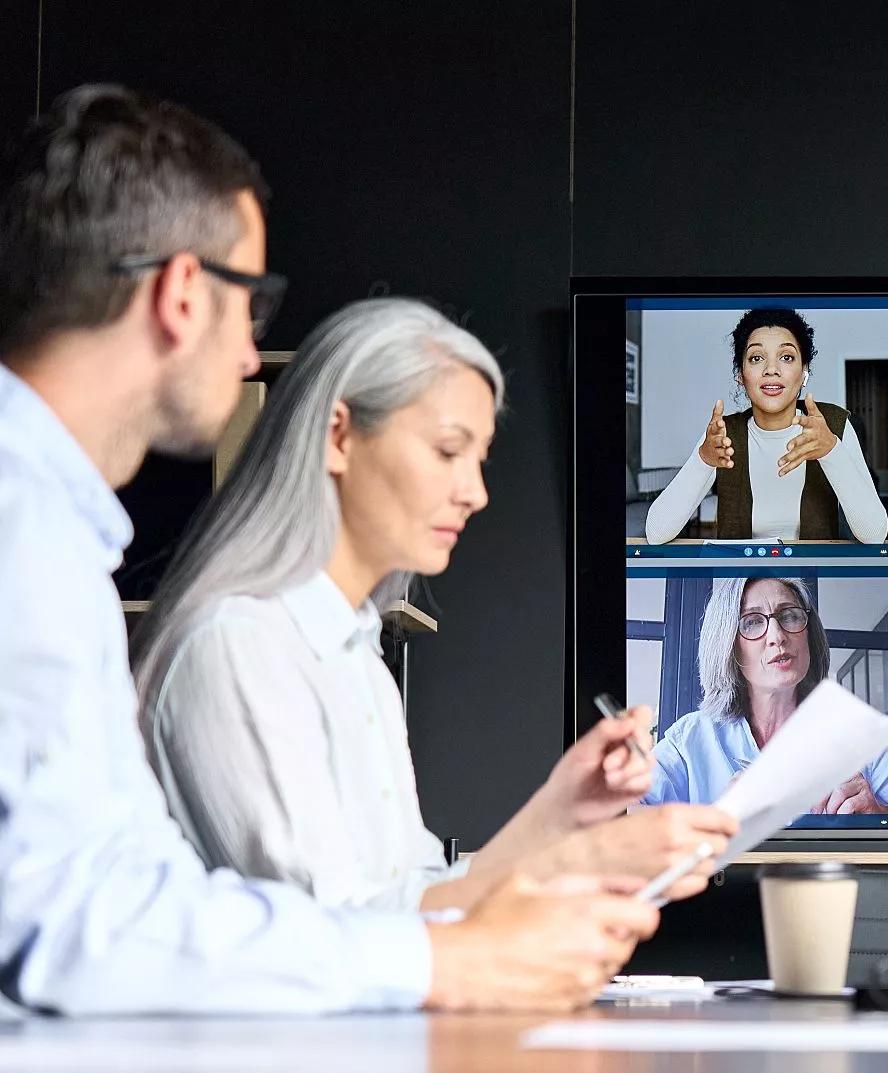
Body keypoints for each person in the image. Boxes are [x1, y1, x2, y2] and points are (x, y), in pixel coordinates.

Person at [0, 85, 679, 1015]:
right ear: (184, 293)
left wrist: (557, 835)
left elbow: (149, 897)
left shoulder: (69, 538)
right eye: (254, 305)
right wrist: (469, 952)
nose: (250, 358)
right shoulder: (49, 542)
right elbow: (92, 921)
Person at [132, 298, 737, 911]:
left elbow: (415, 896)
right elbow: (333, 936)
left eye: (480, 461)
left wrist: (563, 811)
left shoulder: (356, 657)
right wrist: (581, 859)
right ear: (338, 436)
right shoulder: (239, 643)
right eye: (449, 451)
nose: (475, 494)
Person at [647, 575, 888, 813]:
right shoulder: (691, 738)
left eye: (789, 616)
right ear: (728, 645)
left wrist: (881, 815)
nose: (777, 636)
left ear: (809, 633)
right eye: (751, 622)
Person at [644, 308, 888, 544]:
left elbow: (874, 534)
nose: (771, 370)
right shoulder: (723, 434)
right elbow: (656, 533)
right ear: (740, 373)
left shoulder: (833, 425)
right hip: (741, 583)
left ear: (804, 370)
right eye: (757, 358)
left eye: (786, 357)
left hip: (817, 581)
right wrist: (703, 460)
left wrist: (831, 451)